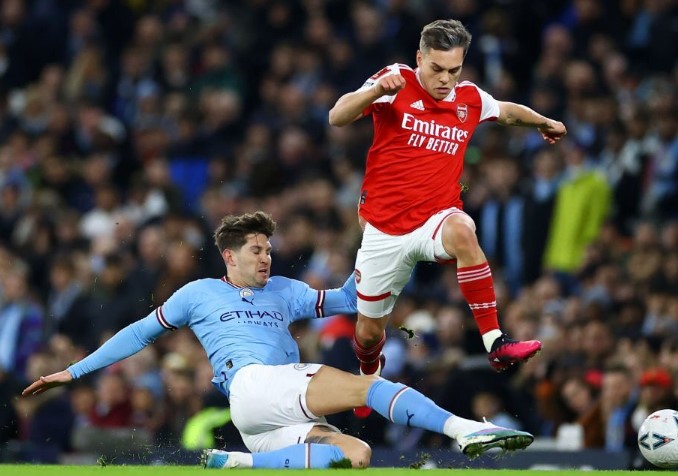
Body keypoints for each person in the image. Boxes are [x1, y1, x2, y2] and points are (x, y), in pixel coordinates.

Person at [22, 211, 534, 469]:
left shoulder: (286, 291)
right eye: (256, 250)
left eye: (269, 249)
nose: (267, 257)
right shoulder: (197, 293)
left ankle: (241, 463)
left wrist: (394, 257)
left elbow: (354, 299)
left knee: (355, 455)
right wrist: (74, 371)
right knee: (363, 387)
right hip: (254, 386)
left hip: (264, 421)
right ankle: (463, 429)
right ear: (230, 256)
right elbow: (137, 334)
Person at [328, 19, 567, 415]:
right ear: (420, 58)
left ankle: (495, 342)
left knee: (463, 228)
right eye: (436, 69)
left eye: (453, 71)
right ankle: (369, 371)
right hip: (384, 230)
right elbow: (337, 116)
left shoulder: (468, 98)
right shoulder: (396, 79)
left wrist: (542, 121)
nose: (444, 79)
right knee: (369, 333)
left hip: (436, 218)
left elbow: (506, 112)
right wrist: (374, 92)